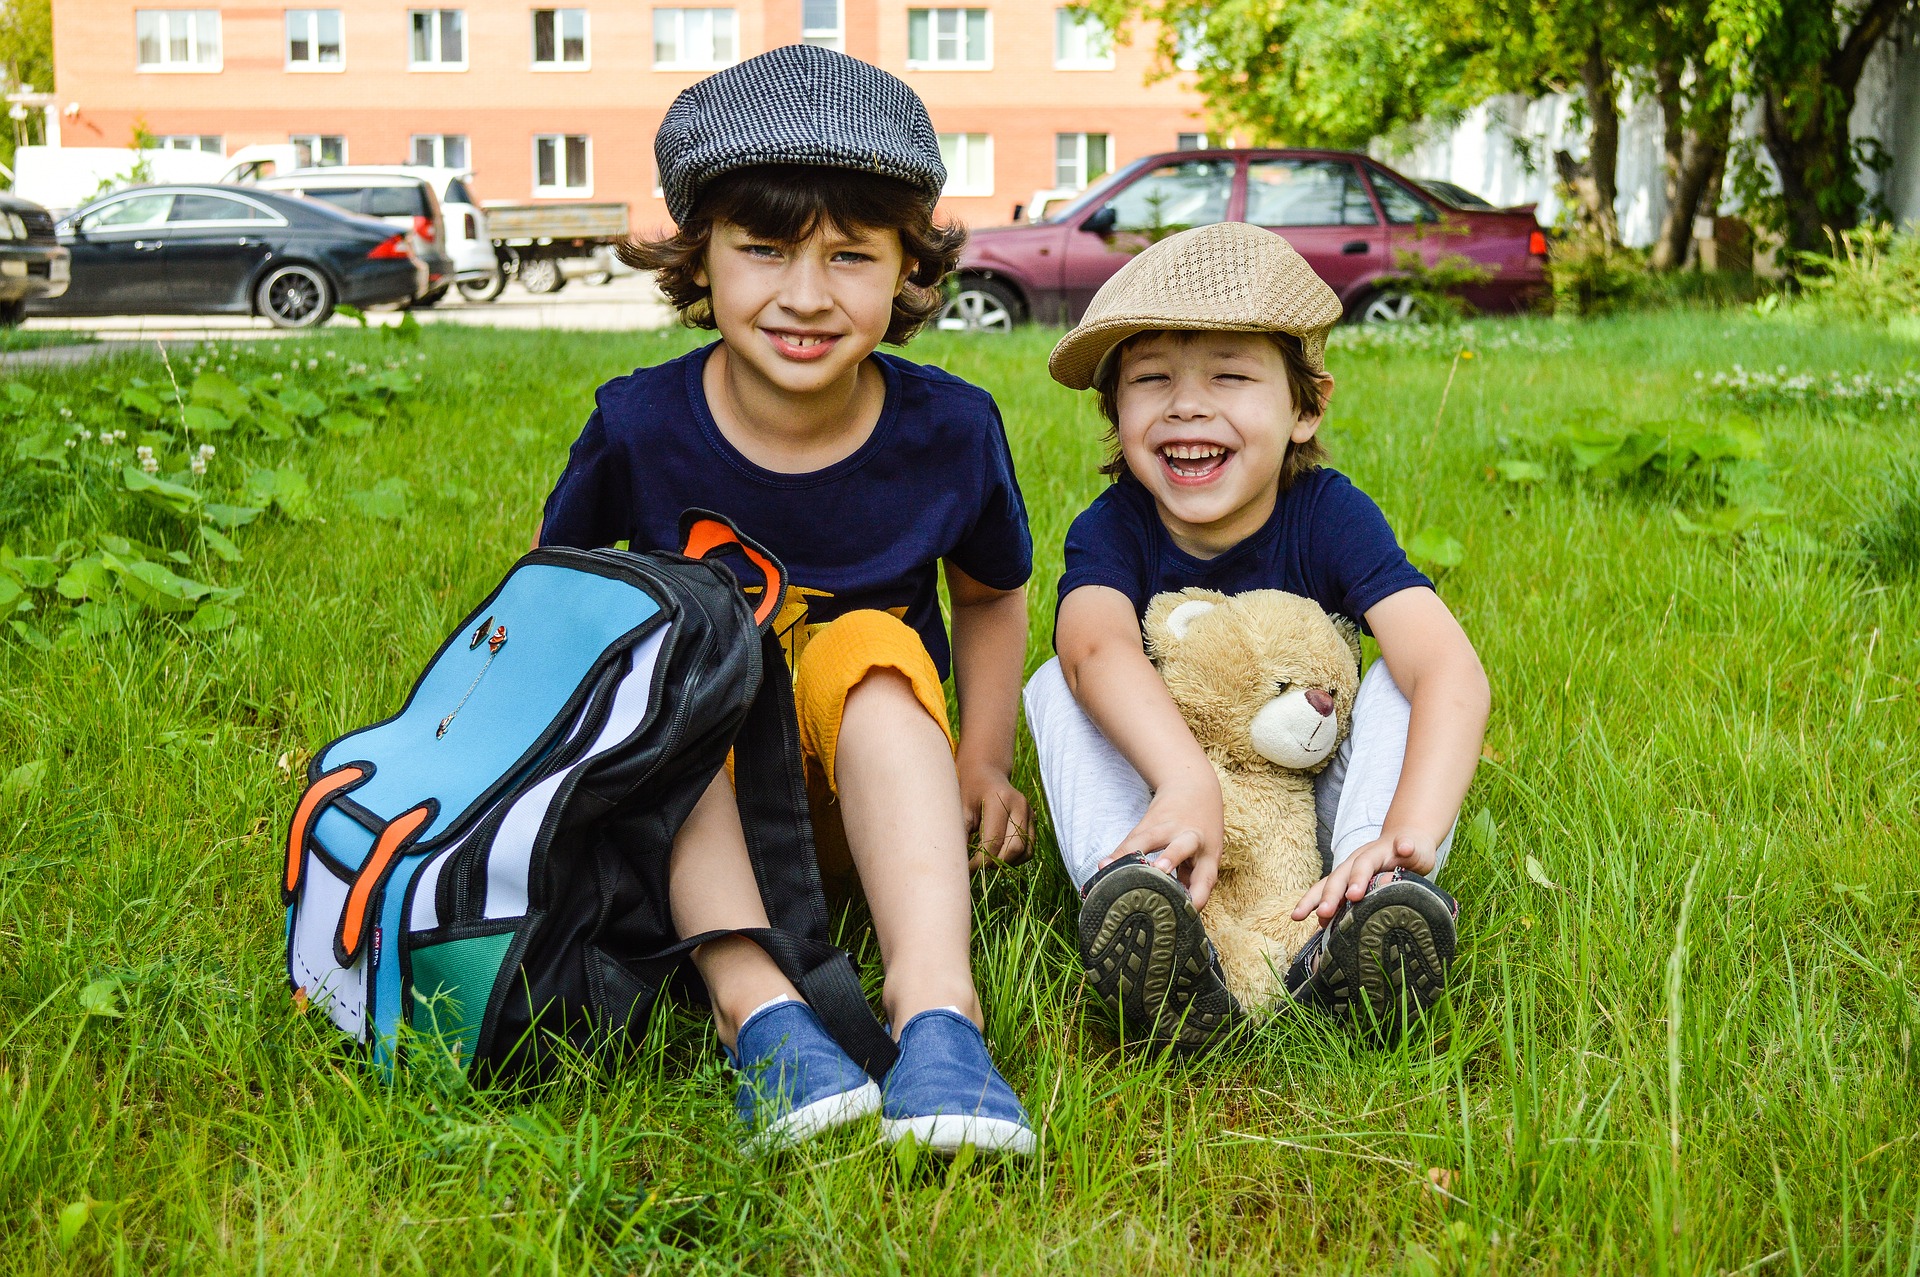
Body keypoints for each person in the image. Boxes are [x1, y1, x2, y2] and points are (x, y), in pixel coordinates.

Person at [538, 46, 1036, 1154]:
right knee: (684, 662)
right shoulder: (637, 425)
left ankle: (938, 1013)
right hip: (688, 814)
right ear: (700, 256)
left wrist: (984, 760)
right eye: (764, 249)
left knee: (865, 645)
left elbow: (991, 594)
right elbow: (550, 605)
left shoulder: (952, 431)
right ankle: (756, 1009)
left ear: (907, 266)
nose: (806, 295)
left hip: (878, 803)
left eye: (850, 255)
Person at [1023, 221, 1491, 1047]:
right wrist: (1183, 780)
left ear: (1306, 407)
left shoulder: (1331, 514)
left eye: (1230, 375)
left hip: (1312, 813)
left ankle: (1372, 898)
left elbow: (1452, 671)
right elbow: (1094, 645)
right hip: (1173, 805)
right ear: (1116, 408)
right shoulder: (1114, 526)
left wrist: (1409, 829)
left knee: (1401, 677)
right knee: (1060, 680)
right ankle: (1138, 893)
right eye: (1152, 378)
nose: (1187, 404)